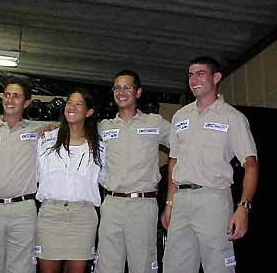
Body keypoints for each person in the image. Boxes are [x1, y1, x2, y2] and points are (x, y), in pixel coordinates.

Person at [161, 56, 259, 273]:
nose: (194, 79)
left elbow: (251, 165)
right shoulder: (180, 116)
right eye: (190, 75)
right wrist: (169, 203)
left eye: (200, 74)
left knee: (218, 267)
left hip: (213, 199)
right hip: (181, 201)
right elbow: (174, 161)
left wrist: (243, 208)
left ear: (216, 77)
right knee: (174, 267)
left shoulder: (232, 117)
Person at [95, 70, 170, 273]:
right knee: (107, 266)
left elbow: (183, 146)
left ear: (138, 92)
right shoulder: (103, 127)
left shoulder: (154, 123)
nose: (121, 92)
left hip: (143, 205)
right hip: (111, 204)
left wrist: (173, 197)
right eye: (117, 87)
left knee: (143, 265)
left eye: (127, 87)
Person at [0, 77, 45, 273]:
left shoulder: (37, 132)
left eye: (16, 96)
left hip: (23, 209)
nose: (10, 100)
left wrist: (48, 130)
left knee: (22, 267)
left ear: (26, 103)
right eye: (7, 95)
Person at [36, 88, 105, 273]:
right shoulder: (46, 139)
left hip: (83, 217)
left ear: (89, 112)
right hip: (50, 214)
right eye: (69, 102)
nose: (71, 107)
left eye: (78, 103)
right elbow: (36, 175)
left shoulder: (99, 145)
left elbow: (105, 178)